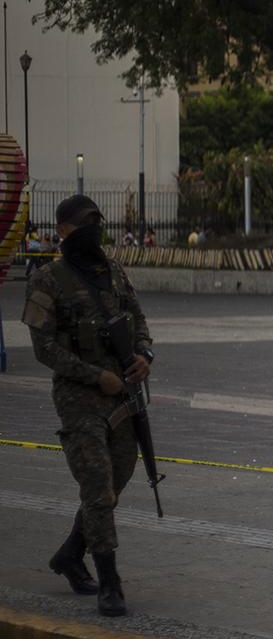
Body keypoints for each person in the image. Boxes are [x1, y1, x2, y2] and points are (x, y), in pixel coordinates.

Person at [22, 195, 155, 616]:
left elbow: (139, 320)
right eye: (85, 223)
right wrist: (95, 375)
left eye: (98, 220)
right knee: (97, 486)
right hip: (80, 398)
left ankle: (69, 555)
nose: (94, 228)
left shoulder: (114, 272)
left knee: (116, 482)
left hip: (122, 396)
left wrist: (143, 357)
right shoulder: (47, 279)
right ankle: (110, 584)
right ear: (62, 230)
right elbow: (43, 348)